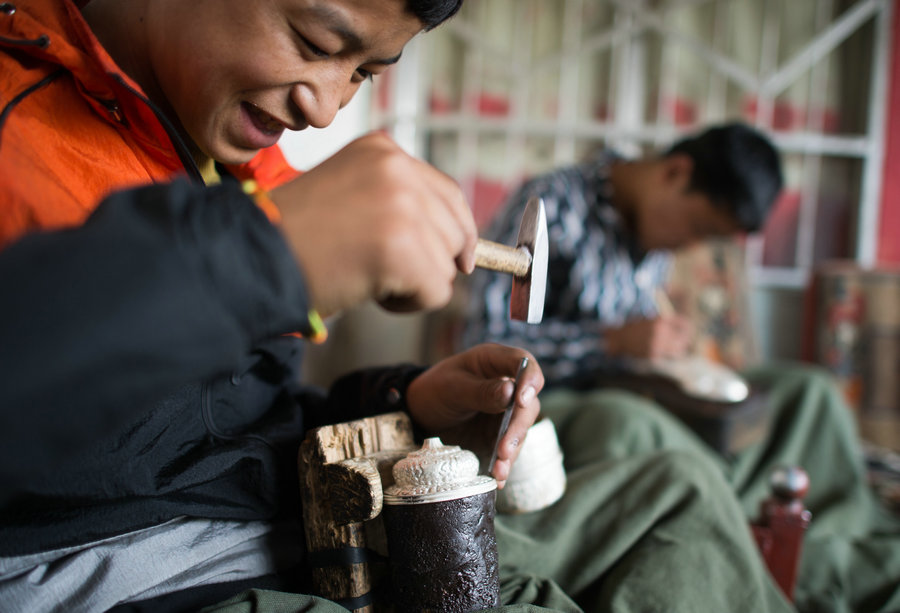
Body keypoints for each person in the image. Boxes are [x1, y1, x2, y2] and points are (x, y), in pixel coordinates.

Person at [0, 2, 813, 611]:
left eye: (363, 73)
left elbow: (241, 422)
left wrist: (405, 403)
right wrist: (271, 255)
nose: (324, 106)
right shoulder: (24, 120)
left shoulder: (229, 156)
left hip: (304, 521)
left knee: (671, 493)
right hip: (152, 569)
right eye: (318, 42)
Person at [463, 123, 900, 613]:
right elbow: (481, 342)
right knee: (627, 422)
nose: (690, 247)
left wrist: (665, 349)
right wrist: (609, 340)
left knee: (809, 392)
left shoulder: (652, 239)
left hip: (639, 388)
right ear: (676, 172)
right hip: (564, 400)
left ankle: (819, 537)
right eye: (698, 230)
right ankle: (727, 521)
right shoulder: (552, 203)